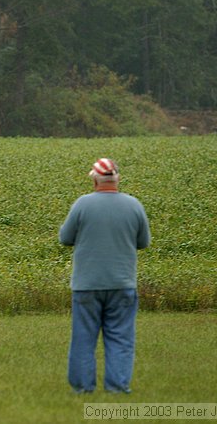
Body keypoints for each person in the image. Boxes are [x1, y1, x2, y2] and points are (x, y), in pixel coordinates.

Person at [59, 158, 151, 394]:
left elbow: (65, 238)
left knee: (83, 339)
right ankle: (118, 387)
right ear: (117, 178)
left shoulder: (82, 204)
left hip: (86, 285)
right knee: (120, 338)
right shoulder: (134, 205)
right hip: (122, 283)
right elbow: (143, 242)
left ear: (95, 179)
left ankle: (82, 388)